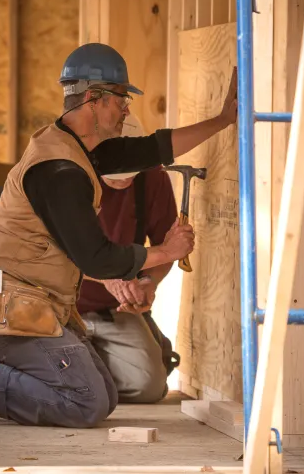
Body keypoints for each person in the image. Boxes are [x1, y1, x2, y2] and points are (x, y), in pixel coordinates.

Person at [0, 42, 237, 429]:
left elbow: (155, 148)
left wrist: (223, 120)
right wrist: (165, 251)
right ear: (94, 99)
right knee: (86, 403)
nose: (126, 109)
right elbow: (96, 258)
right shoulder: (60, 171)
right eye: (121, 99)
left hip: (35, 302)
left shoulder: (79, 148)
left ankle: (3, 367)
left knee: (104, 395)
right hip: (4, 304)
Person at [77, 113, 180, 405]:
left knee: (148, 386)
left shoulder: (152, 177)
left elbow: (166, 247)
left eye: (130, 170)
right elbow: (46, 251)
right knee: (68, 383)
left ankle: (86, 371)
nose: (122, 182)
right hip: (58, 309)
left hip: (114, 311)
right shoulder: (68, 178)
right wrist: (107, 276)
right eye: (113, 172)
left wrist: (149, 282)